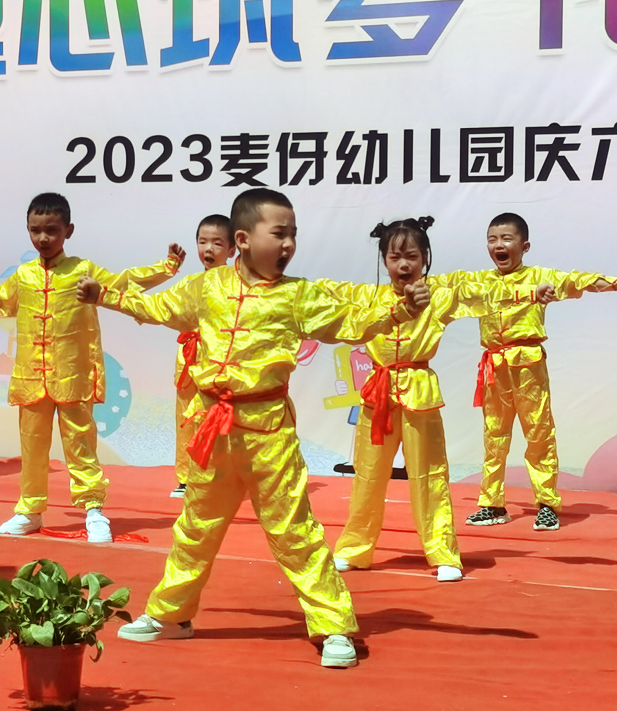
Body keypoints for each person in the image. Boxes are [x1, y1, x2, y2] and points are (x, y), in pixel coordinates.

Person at [75, 188, 430, 668]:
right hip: (214, 430)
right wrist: (105, 296)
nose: (288, 244)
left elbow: (350, 321)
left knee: (296, 532)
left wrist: (402, 310)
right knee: (195, 527)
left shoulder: (298, 295)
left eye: (293, 235)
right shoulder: (206, 288)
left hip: (268, 435)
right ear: (243, 239)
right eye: (279, 233)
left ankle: (333, 625)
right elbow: (158, 309)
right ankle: (172, 615)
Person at [0, 192, 184, 543]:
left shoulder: (83, 271)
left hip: (73, 375)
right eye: (35, 230)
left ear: (68, 230)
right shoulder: (23, 275)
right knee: (32, 448)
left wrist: (166, 268)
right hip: (31, 377)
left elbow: (123, 283)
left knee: (81, 444)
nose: (43, 238)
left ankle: (93, 509)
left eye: (52, 230)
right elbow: (3, 302)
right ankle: (29, 509)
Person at [331, 217, 527, 582]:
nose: (404, 265)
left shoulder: (439, 294)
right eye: (395, 257)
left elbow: (488, 288)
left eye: (412, 257)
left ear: (425, 258)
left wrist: (534, 291)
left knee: (430, 475)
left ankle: (442, 552)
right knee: (368, 475)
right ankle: (354, 548)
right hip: (378, 394)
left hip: (420, 391)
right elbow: (318, 296)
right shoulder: (367, 297)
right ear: (384, 260)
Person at [435, 213, 616, 531]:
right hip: (494, 367)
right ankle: (492, 504)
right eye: (492, 240)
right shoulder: (480, 281)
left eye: (506, 239)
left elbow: (581, 281)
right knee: (494, 436)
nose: (498, 245)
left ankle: (546, 503)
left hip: (528, 366)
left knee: (539, 434)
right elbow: (443, 285)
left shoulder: (540, 277)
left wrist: (612, 283)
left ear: (524, 245)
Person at [169, 214, 234, 499]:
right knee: (185, 418)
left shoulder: (237, 285)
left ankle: (220, 475)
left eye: (217, 243)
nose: (208, 249)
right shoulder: (189, 283)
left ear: (232, 249)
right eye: (202, 242)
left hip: (219, 362)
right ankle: (186, 477)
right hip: (188, 358)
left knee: (216, 418)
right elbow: (164, 308)